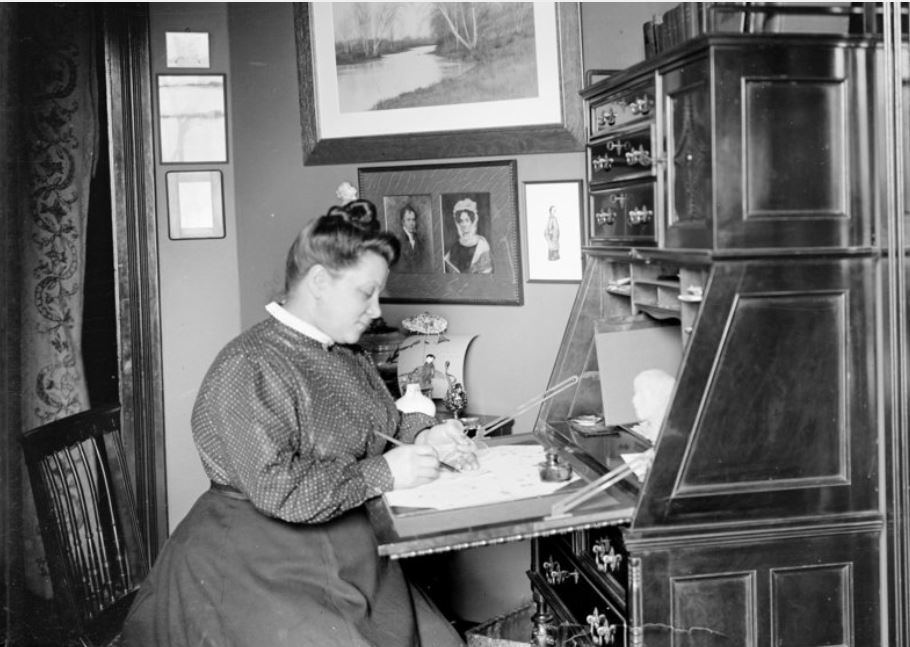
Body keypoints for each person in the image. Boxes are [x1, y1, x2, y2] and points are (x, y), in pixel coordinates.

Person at [121, 208, 477, 647]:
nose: (376, 310)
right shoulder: (249, 365)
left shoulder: (345, 352)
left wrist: (425, 436)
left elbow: (383, 425)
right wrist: (386, 473)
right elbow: (279, 490)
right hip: (256, 560)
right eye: (366, 293)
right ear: (319, 282)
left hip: (344, 546)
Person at [443, 198, 492, 274]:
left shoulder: (482, 245)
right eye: (461, 221)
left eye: (467, 220)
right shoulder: (455, 246)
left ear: (473, 221)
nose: (464, 225)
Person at [630, 368, 676, 443]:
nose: (634, 400)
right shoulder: (638, 433)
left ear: (661, 398)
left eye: (642, 394)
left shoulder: (672, 440)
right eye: (636, 393)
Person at [396, 203, 431, 273]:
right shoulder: (398, 241)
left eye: (413, 220)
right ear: (403, 222)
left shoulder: (420, 239)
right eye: (408, 220)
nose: (412, 223)